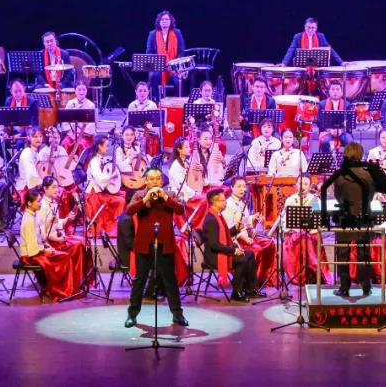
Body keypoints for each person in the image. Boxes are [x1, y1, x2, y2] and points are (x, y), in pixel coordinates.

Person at [124, 167, 188, 328]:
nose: (154, 181)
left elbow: (180, 210)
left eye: (157, 178)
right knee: (139, 281)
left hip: (165, 244)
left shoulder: (170, 194)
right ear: (146, 181)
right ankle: (132, 315)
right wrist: (145, 199)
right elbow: (129, 211)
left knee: (170, 280)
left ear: (161, 180)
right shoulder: (139, 195)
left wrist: (165, 197)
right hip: (144, 245)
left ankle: (177, 314)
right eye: (151, 179)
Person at [20, 188, 83, 300]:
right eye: (38, 201)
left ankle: (66, 289)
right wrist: (46, 250)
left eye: (40, 201)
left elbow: (40, 238)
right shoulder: (29, 220)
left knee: (64, 256)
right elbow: (32, 247)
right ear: (29, 203)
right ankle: (60, 290)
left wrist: (47, 245)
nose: (40, 203)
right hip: (31, 255)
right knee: (64, 257)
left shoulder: (34, 215)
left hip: (38, 249)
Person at [331, 142, 375, 297]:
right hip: (364, 217)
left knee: (343, 253)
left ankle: (344, 287)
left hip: (345, 217)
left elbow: (338, 197)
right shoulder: (368, 174)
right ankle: (366, 286)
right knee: (364, 252)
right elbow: (370, 197)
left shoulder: (340, 175)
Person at [202, 187, 258, 302]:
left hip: (219, 251)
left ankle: (250, 289)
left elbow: (224, 234)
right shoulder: (211, 219)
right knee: (242, 259)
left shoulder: (217, 215)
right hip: (214, 256)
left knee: (250, 254)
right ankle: (236, 292)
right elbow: (214, 244)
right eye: (223, 200)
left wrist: (235, 229)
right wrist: (234, 251)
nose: (226, 202)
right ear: (215, 202)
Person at [221, 177, 274, 293]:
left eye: (244, 187)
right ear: (232, 187)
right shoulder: (228, 205)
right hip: (236, 239)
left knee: (269, 244)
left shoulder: (242, 202)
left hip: (246, 235)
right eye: (239, 186)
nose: (242, 189)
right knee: (257, 250)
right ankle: (251, 283)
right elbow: (229, 230)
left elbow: (245, 221)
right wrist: (244, 237)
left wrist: (253, 218)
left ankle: (263, 278)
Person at [278, 174, 328, 285]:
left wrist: (310, 228)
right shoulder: (290, 200)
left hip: (310, 233)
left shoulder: (314, 200)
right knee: (300, 239)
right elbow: (284, 220)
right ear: (296, 185)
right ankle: (300, 274)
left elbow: (318, 220)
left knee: (307, 240)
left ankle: (313, 272)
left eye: (306, 184)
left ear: (310, 186)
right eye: (300, 183)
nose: (303, 186)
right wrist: (293, 229)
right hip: (294, 233)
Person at [85, 137, 124, 237]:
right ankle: (113, 228)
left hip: (101, 191)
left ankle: (120, 226)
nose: (107, 148)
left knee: (124, 195)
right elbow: (100, 178)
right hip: (95, 195)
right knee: (121, 201)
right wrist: (111, 177)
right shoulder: (94, 161)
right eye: (106, 145)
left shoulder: (101, 160)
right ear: (99, 146)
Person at [145, 10, 186, 98]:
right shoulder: (152, 34)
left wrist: (174, 63)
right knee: (153, 77)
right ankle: (156, 100)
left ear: (171, 21)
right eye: (162, 19)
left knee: (177, 81)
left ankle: (176, 102)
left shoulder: (177, 33)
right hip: (158, 65)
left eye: (167, 19)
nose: (164, 21)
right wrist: (161, 62)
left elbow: (181, 51)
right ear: (159, 21)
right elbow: (149, 52)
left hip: (174, 66)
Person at [317, 80, 353, 152]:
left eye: (337, 89)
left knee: (349, 140)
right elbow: (319, 122)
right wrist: (330, 130)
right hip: (327, 132)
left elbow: (349, 123)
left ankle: (347, 159)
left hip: (343, 132)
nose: (335, 92)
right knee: (326, 142)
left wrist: (341, 130)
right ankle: (327, 159)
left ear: (341, 92)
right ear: (329, 91)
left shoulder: (347, 104)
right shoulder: (322, 104)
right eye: (333, 89)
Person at [15, 128, 46, 201]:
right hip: (26, 189)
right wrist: (44, 184)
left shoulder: (35, 152)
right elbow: (31, 177)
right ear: (29, 138)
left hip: (34, 185)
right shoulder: (27, 153)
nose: (38, 139)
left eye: (40, 136)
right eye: (35, 136)